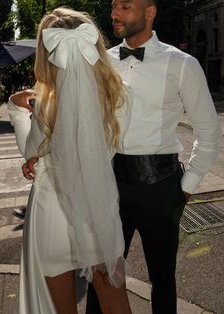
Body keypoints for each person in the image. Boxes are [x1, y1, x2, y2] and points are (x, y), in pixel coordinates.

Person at [15, 1, 222, 313]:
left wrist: (184, 188)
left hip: (160, 184)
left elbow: (208, 132)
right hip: (107, 183)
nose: (114, 14)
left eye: (125, 6)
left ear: (151, 11)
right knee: (102, 280)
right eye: (114, 6)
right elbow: (72, 108)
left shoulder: (183, 64)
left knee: (162, 279)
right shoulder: (99, 60)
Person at [8, 7, 132, 314]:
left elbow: (30, 149)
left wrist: (15, 107)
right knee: (117, 305)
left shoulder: (45, 103)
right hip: (97, 210)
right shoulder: (118, 94)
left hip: (52, 213)